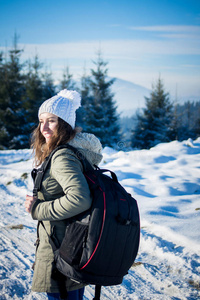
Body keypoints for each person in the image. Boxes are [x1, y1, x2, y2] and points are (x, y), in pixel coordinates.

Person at [25, 89, 103, 300]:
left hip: (62, 249)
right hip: (72, 247)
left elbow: (79, 198)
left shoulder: (62, 156)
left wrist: (37, 208)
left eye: (51, 120)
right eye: (41, 121)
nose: (44, 127)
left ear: (65, 123)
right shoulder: (69, 151)